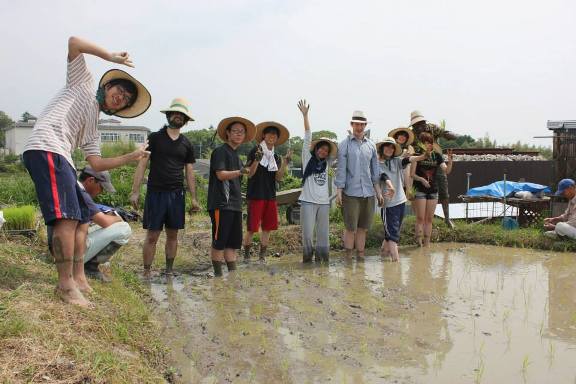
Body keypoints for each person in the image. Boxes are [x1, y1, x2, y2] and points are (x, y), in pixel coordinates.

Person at [22, 36, 151, 307]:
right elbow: (73, 42)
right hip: (47, 146)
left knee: (81, 218)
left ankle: (79, 277)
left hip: (63, 156)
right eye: (119, 90)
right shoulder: (82, 82)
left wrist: (132, 156)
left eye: (125, 99)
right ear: (108, 86)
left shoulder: (94, 125)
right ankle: (65, 284)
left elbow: (96, 164)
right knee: (66, 220)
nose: (120, 97)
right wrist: (111, 57)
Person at [130, 98, 199, 278]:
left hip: (177, 194)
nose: (178, 116)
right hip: (156, 193)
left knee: (173, 235)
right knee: (152, 236)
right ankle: (146, 271)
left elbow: (189, 172)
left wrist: (193, 198)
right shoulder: (155, 138)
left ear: (185, 120)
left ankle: (169, 271)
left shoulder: (187, 144)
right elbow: (142, 164)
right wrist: (135, 191)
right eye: (175, 113)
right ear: (169, 115)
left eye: (181, 115)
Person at [48, 166, 132, 282]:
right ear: (91, 180)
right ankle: (89, 266)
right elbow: (104, 221)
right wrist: (118, 217)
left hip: (57, 247)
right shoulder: (82, 194)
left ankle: (83, 264)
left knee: (94, 225)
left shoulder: (70, 187)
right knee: (124, 228)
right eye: (101, 188)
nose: (101, 192)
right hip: (67, 253)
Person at [208, 117, 256, 276]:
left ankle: (233, 277)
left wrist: (256, 160)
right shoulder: (221, 152)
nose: (238, 134)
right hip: (222, 204)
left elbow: (249, 174)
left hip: (235, 205)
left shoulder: (237, 156)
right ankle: (218, 277)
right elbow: (221, 175)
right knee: (219, 242)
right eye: (235, 131)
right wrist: (240, 171)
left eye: (241, 132)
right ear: (227, 133)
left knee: (232, 244)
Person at [335, 110, 384, 259]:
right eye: (356, 124)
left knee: (363, 228)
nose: (359, 127)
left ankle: (361, 258)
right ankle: (348, 259)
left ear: (365, 125)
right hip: (350, 193)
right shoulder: (344, 145)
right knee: (350, 228)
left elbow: (375, 171)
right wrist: (339, 192)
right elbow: (341, 170)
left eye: (362, 124)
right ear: (352, 125)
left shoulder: (371, 146)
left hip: (368, 193)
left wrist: (378, 192)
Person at [243, 121, 291, 262]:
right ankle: (246, 256)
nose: (272, 136)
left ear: (276, 138)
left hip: (270, 196)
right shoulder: (255, 150)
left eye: (274, 134)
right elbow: (250, 174)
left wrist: (285, 164)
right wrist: (257, 159)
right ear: (263, 135)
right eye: (269, 133)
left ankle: (262, 257)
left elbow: (278, 177)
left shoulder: (275, 157)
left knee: (267, 228)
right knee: (252, 228)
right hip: (256, 195)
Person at [297, 100, 338, 263]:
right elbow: (307, 136)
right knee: (307, 234)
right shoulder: (307, 159)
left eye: (326, 150)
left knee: (323, 235)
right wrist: (306, 115)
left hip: (323, 203)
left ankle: (323, 261)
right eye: (321, 148)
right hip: (307, 201)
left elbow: (340, 158)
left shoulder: (327, 164)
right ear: (316, 149)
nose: (323, 151)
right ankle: (307, 260)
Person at [376, 138, 427, 261]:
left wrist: (422, 156)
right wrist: (390, 186)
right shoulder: (377, 164)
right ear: (382, 148)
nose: (389, 149)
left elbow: (409, 159)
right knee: (393, 234)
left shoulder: (396, 161)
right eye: (387, 146)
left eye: (392, 147)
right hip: (388, 204)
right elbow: (384, 176)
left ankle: (383, 255)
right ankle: (396, 261)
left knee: (392, 233)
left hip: (400, 201)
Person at [409, 111, 457, 228]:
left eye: (422, 123)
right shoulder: (411, 134)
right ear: (413, 126)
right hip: (419, 163)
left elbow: (445, 133)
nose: (421, 126)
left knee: (443, 189)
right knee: (415, 191)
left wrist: (450, 135)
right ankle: (418, 219)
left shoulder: (432, 128)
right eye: (418, 124)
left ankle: (447, 218)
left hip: (435, 161)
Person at [410, 132, 453, 247]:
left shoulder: (437, 156)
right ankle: (419, 243)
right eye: (425, 142)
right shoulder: (417, 155)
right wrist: (422, 180)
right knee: (420, 218)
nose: (428, 145)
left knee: (429, 219)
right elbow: (412, 174)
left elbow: (446, 171)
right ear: (421, 144)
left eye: (429, 142)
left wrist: (450, 160)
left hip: (433, 191)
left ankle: (427, 245)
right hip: (420, 190)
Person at [388, 126, 416, 194]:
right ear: (396, 136)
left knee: (409, 163)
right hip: (391, 173)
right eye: (401, 135)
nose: (403, 137)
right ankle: (408, 190)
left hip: (404, 176)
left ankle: (409, 190)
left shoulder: (408, 148)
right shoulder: (390, 146)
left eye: (405, 136)